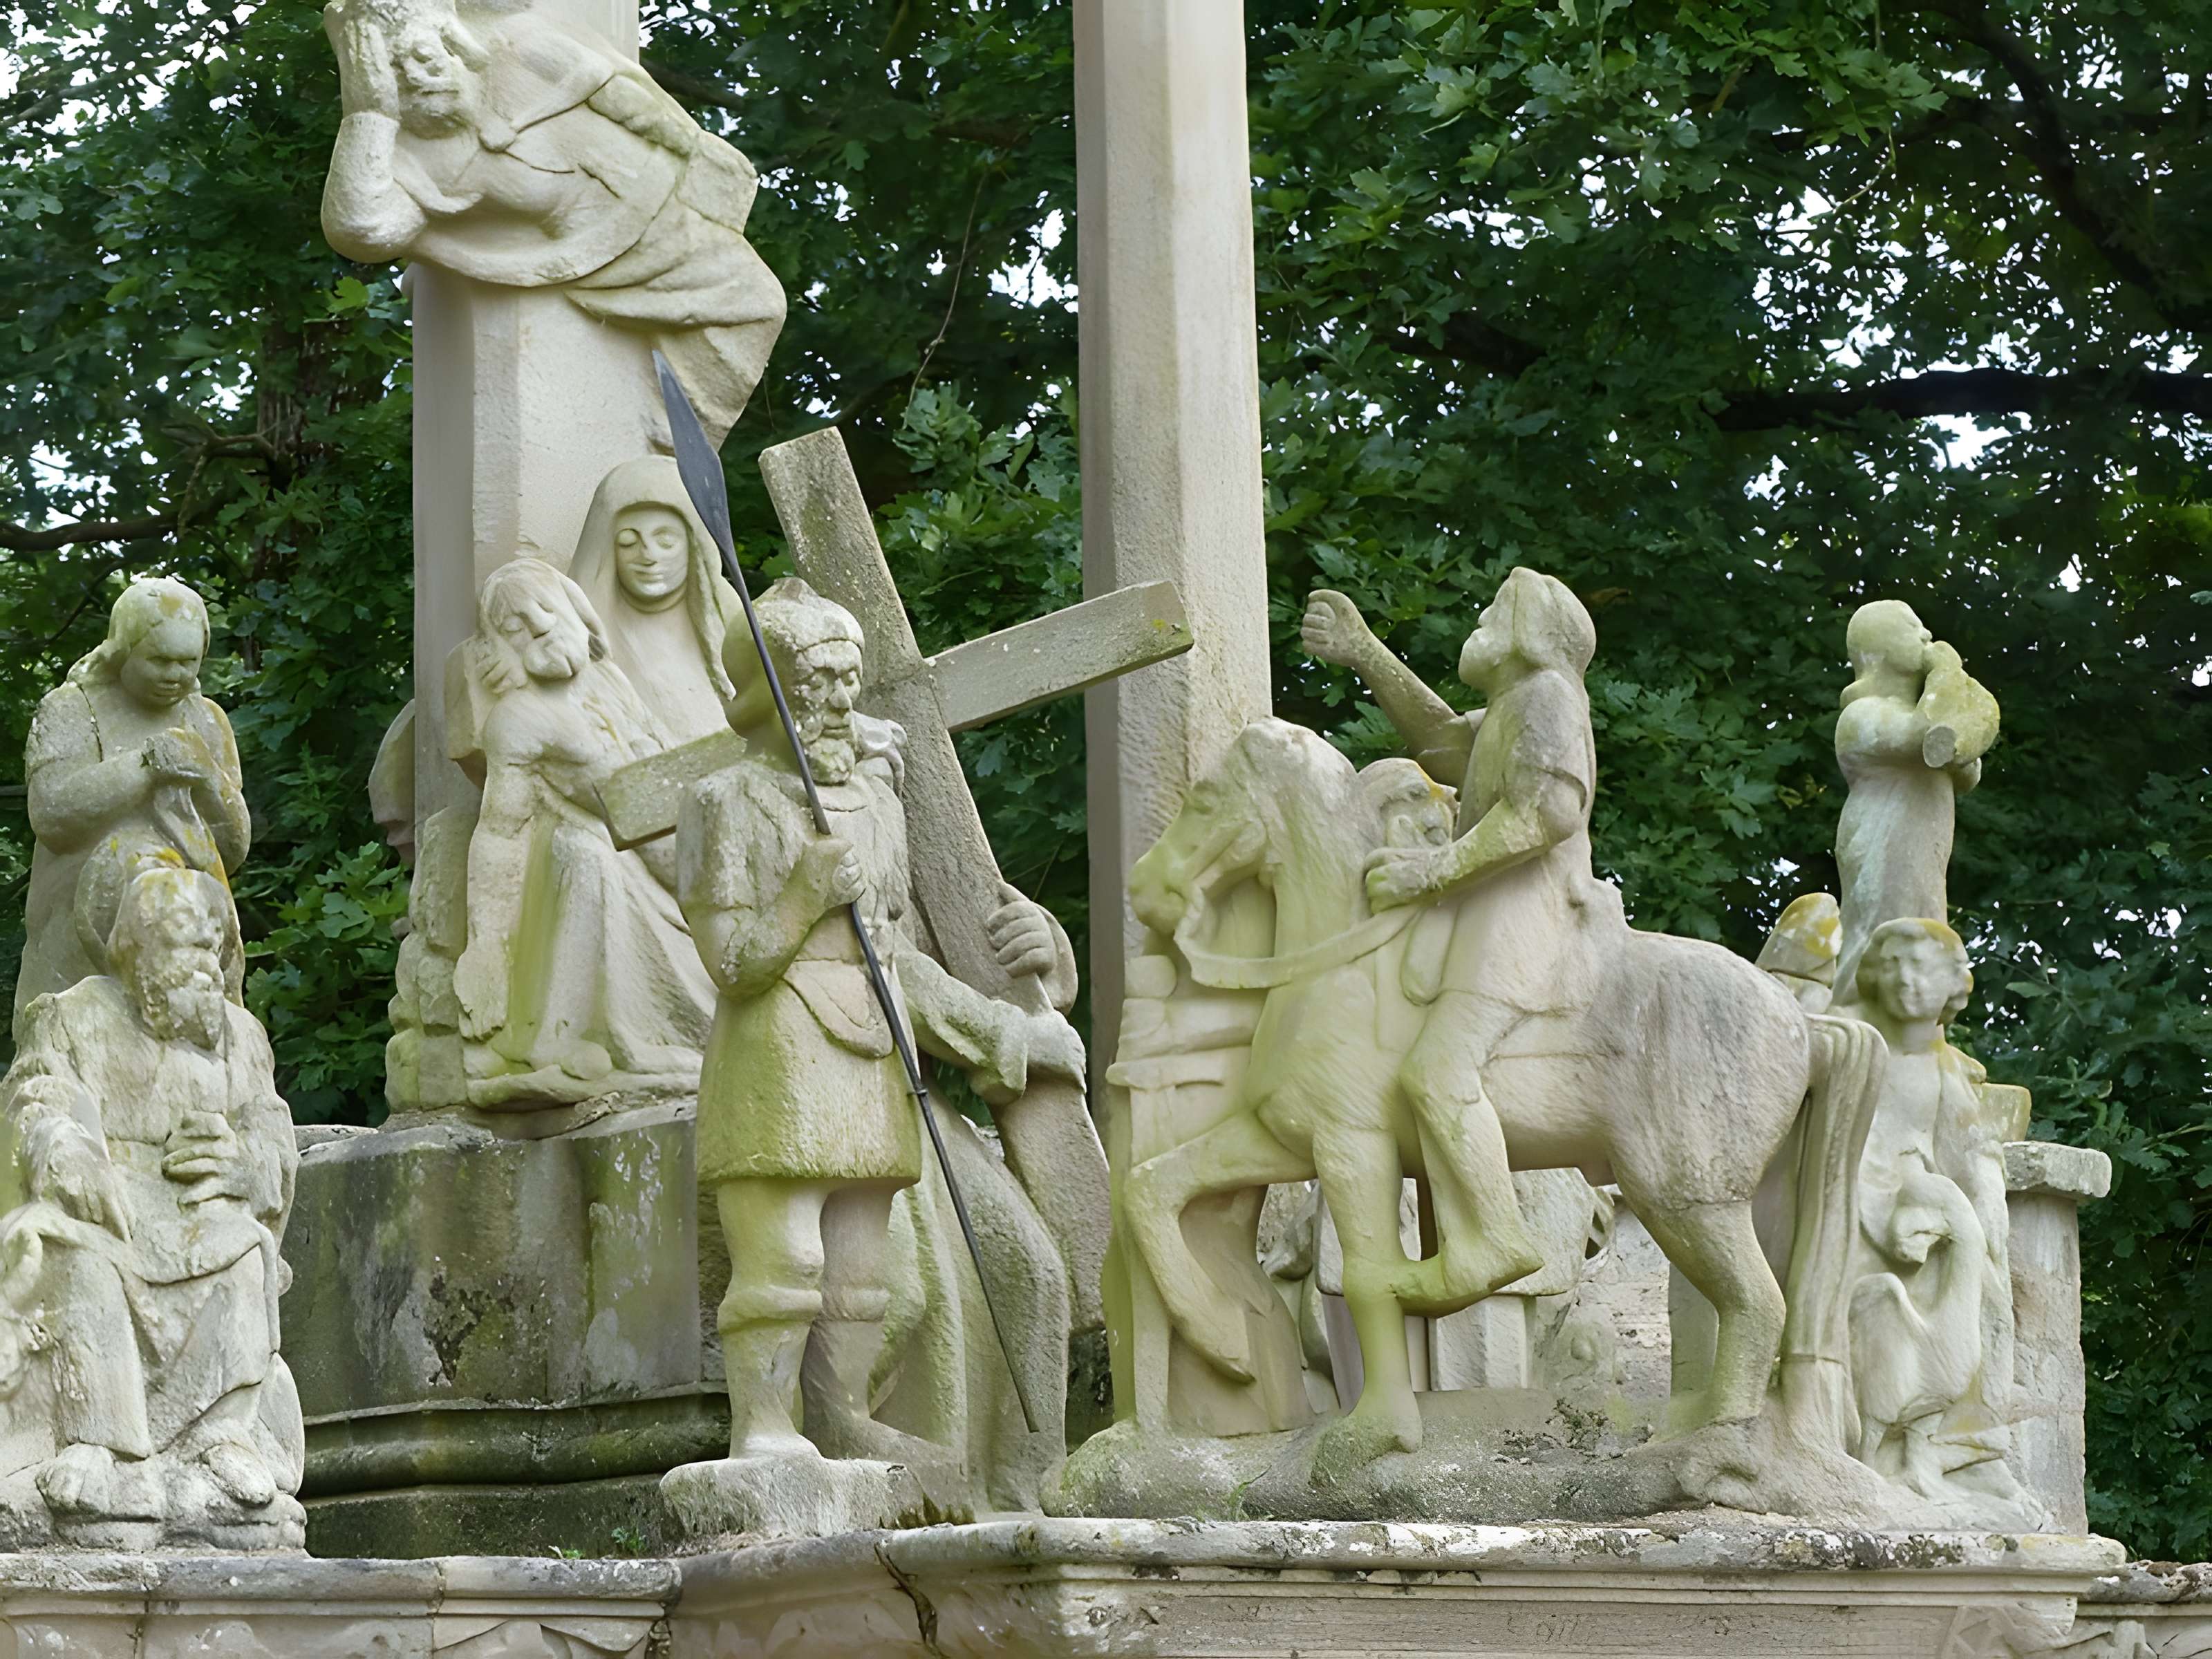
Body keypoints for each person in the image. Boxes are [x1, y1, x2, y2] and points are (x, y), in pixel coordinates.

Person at [676, 579, 1085, 1470]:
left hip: (871, 1052)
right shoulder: (726, 800)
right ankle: (766, 1428)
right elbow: (732, 963)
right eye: (815, 682)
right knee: (787, 1261)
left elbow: (895, 950)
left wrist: (1020, 1011)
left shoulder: (877, 805)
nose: (837, 702)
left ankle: (843, 1416)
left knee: (864, 1279)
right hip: (780, 1056)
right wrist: (803, 896)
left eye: (846, 680)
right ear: (767, 692)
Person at [1300, 570, 1641, 1307]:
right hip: (1485, 912)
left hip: (1527, 914)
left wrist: (1433, 870)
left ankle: (1495, 1238)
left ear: (1529, 633)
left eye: (1494, 610)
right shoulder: (1511, 707)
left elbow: (1546, 812)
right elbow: (1437, 740)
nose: (1479, 619)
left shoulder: (1548, 696)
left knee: (1437, 1071)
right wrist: (1364, 651)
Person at [321, 0, 786, 446]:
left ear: (453, 45)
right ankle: (671, 450)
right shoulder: (413, 160)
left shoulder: (519, 47)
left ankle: (676, 453)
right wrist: (369, 115)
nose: (419, 77)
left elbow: (617, 94)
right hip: (604, 253)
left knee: (760, 305)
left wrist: (697, 150)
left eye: (423, 56)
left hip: (665, 201)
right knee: (758, 303)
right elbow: (363, 228)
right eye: (395, 74)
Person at [0, 867, 301, 1536]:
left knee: (245, 1250)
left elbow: (271, 1133)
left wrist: (247, 1163)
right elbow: (34, 1103)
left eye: (211, 944)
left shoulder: (243, 1038)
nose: (202, 963)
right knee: (83, 1261)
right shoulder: (73, 1016)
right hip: (106, 1208)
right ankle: (99, 1442)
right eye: (181, 942)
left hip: (197, 1211)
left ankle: (222, 1436)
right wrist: (66, 1149)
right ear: (136, 947)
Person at [450, 557, 716, 1105]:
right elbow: (501, 831)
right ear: (502, 649)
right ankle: (577, 1037)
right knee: (584, 850)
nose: (540, 627)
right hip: (626, 872)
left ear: (575, 609)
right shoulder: (520, 720)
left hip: (687, 859)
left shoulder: (609, 683)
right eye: (516, 627)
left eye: (545, 608)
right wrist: (488, 946)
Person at [16, 578, 250, 1041]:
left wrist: (207, 775)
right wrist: (146, 766)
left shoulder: (207, 720)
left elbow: (234, 847)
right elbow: (52, 814)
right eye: (159, 659)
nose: (174, 674)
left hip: (190, 934)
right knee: (84, 1048)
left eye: (188, 661)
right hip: (82, 925)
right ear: (123, 651)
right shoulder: (71, 707)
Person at [1829, 600, 1998, 1008]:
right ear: (1880, 647)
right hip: (1884, 840)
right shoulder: (1863, 714)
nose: (1926, 635)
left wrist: (1964, 724)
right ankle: (1854, 1010)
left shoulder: (1920, 711)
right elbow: (1927, 738)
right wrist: (1946, 672)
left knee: (1924, 927)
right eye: (1911, 627)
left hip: (1923, 847)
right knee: (1881, 927)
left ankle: (1917, 1024)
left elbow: (1967, 770)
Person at [565, 457, 748, 748]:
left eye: (665, 542)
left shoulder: (729, 616)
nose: (648, 556)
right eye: (628, 542)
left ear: (693, 546)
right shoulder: (581, 635)